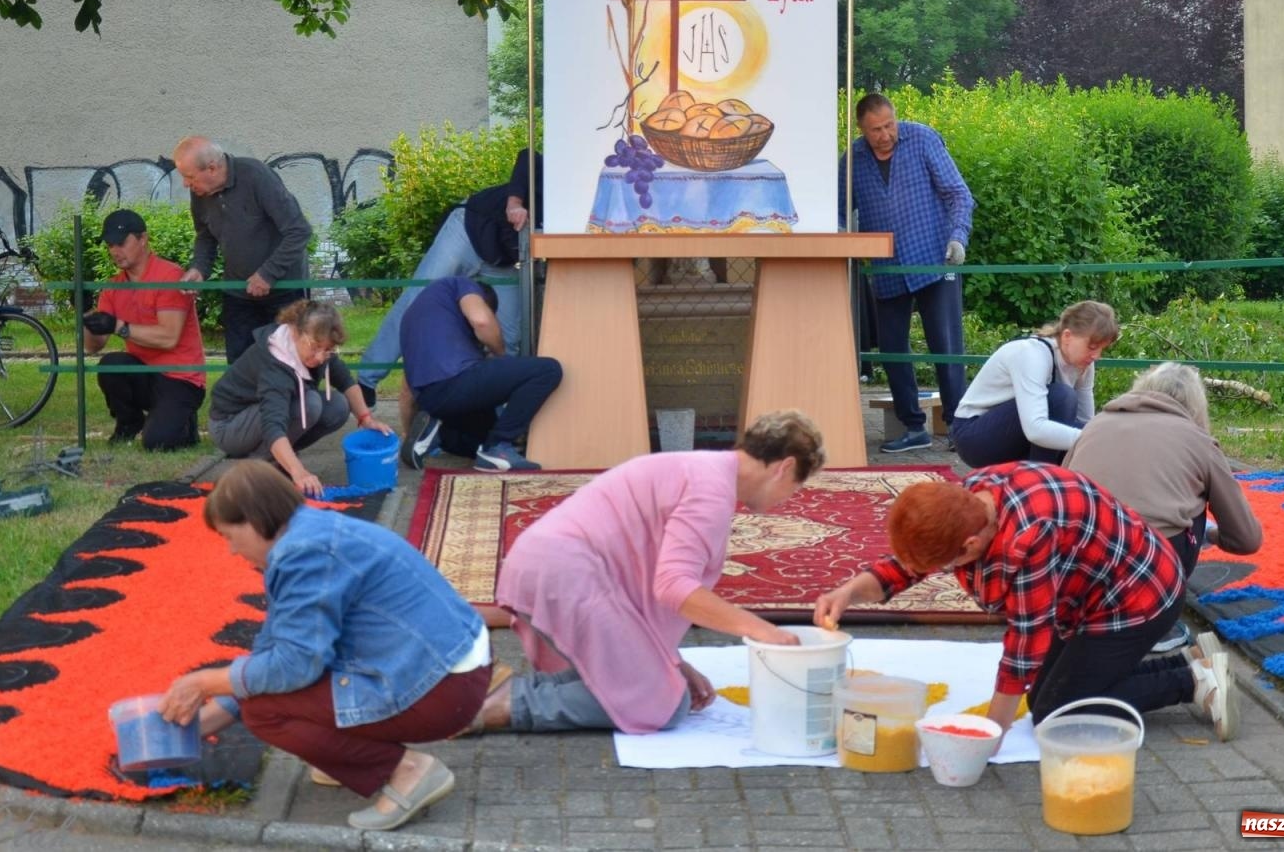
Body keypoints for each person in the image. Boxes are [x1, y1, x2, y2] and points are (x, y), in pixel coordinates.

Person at [159, 460, 491, 832]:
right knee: (260, 692)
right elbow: (280, 643)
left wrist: (205, 683)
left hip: (442, 686)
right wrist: (215, 713)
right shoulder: (307, 531)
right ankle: (355, 759)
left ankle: (410, 771)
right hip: (444, 666)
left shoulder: (303, 554)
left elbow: (294, 665)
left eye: (229, 536)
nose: (232, 551)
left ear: (253, 520)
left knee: (264, 710)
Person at [813, 462, 1239, 741]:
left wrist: (991, 731)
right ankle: (1189, 663)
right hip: (1096, 593)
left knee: (1056, 712)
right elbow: (906, 566)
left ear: (971, 543)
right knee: (1045, 698)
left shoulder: (1027, 538)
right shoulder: (968, 502)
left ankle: (1195, 683)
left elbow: (1027, 640)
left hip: (1140, 597)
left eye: (948, 565)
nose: (940, 573)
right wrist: (848, 592)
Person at [467, 410, 827, 735]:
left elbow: (645, 581)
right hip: (563, 574)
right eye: (795, 486)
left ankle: (490, 695)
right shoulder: (711, 491)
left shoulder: (706, 470)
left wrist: (670, 662)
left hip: (551, 568)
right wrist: (762, 630)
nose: (789, 498)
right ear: (783, 467)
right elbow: (674, 587)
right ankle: (506, 704)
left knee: (645, 683)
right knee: (663, 704)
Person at [1066, 361, 1263, 652]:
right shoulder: (1198, 441)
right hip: (1147, 573)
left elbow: (1060, 493)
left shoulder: (1094, 426)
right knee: (1191, 505)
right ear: (1197, 406)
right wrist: (1209, 535)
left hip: (1075, 567)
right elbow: (1247, 539)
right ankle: (1158, 620)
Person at [838, 92, 974, 453]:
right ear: (862, 130)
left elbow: (958, 194)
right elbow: (838, 209)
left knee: (946, 347)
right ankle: (914, 428)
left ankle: (959, 428)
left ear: (895, 118)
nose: (884, 134)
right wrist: (839, 241)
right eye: (875, 130)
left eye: (888, 125)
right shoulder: (853, 158)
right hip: (885, 267)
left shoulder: (924, 138)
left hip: (934, 259)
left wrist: (957, 238)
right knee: (892, 348)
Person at [355, 150, 542, 407]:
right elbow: (527, 156)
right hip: (468, 229)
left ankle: (496, 418)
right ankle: (367, 380)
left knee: (510, 335)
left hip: (503, 261)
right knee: (417, 300)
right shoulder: (558, 173)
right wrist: (515, 202)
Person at [208, 300, 391, 498]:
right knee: (310, 404)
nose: (321, 356)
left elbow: (345, 380)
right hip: (228, 426)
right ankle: (258, 468)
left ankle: (280, 459)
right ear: (295, 332)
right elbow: (273, 426)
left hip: (255, 415)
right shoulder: (275, 363)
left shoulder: (318, 346)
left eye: (328, 349)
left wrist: (366, 418)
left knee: (338, 405)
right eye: (315, 347)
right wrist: (299, 472)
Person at [398, 276, 561, 473]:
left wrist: (408, 434)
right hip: (458, 381)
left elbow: (406, 390)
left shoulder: (416, 319)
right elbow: (482, 321)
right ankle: (498, 447)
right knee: (547, 369)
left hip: (432, 400)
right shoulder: (460, 284)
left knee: (481, 440)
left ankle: (438, 434)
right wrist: (500, 354)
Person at [173, 136, 312, 364]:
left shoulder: (256, 176)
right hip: (238, 293)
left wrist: (268, 273)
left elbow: (299, 230)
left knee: (289, 366)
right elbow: (205, 235)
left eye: (189, 177)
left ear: (212, 168)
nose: (186, 184)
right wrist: (199, 268)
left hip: (285, 292)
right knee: (240, 367)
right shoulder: (200, 192)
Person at [81, 209, 206, 449]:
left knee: (157, 443)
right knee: (111, 365)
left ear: (143, 239)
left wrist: (118, 326)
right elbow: (92, 347)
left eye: (121, 242)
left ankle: (185, 423)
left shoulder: (170, 276)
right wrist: (86, 317)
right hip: (145, 374)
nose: (115, 251)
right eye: (110, 245)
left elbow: (168, 338)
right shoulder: (114, 287)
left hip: (182, 379)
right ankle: (129, 422)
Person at [949, 300, 1120, 468]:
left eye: (1101, 349)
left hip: (1019, 434)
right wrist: (1094, 439)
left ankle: (1048, 479)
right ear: (1067, 336)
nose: (1096, 356)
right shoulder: (1032, 354)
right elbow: (1035, 429)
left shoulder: (1084, 365)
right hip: (974, 438)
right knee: (1062, 397)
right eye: (1092, 347)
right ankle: (1040, 482)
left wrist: (1108, 438)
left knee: (1096, 433)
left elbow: (1084, 422)